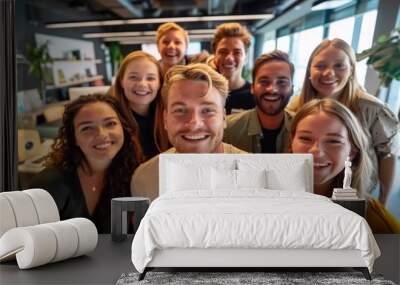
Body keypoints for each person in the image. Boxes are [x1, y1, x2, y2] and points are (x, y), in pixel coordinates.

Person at [287, 38, 399, 205]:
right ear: (309, 71)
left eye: (339, 65)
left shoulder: (373, 109)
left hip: (359, 194)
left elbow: (387, 156)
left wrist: (383, 200)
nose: (329, 73)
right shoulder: (296, 106)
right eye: (320, 66)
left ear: (352, 70)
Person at [131, 63, 246, 201]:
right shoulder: (145, 178)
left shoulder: (252, 173)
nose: (194, 123)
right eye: (180, 110)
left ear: (223, 118)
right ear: (165, 119)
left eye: (207, 110)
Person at [30, 94, 142, 233]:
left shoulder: (138, 177)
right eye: (87, 128)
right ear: (74, 138)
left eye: (110, 123)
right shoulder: (49, 184)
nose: (102, 134)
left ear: (123, 128)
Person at [290, 98, 400, 233]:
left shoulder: (376, 221)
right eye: (305, 138)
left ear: (352, 152)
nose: (316, 152)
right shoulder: (266, 197)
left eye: (333, 141)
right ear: (292, 142)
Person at [223, 51, 294, 153]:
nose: (272, 89)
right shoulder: (227, 130)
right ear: (252, 87)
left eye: (282, 82)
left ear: (292, 88)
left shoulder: (304, 129)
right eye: (264, 81)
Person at [111, 51, 169, 160]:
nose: (142, 84)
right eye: (134, 77)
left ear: (159, 83)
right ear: (121, 81)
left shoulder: (169, 116)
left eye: (150, 78)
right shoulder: (110, 121)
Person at [212, 22, 255, 114]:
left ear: (246, 58)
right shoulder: (205, 92)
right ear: (214, 56)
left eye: (237, 52)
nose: (229, 58)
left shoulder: (254, 96)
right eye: (223, 52)